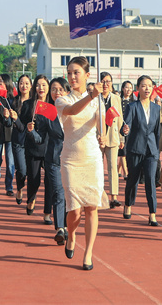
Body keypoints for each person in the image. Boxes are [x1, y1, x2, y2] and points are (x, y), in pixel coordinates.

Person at [55, 56, 108, 271]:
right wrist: (91, 96)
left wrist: (104, 136)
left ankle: (88, 253)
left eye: (76, 72)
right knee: (75, 210)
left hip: (92, 158)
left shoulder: (98, 101)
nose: (72, 77)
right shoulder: (63, 100)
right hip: (71, 159)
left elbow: (102, 126)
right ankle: (71, 235)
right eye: (69, 73)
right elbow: (73, 111)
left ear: (87, 75)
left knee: (92, 207)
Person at [120, 76, 162, 226]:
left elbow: (157, 131)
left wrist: (157, 151)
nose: (147, 88)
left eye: (149, 86)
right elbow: (126, 126)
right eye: (143, 86)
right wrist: (125, 130)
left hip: (151, 150)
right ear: (137, 89)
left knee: (151, 180)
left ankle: (152, 214)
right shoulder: (132, 107)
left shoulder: (157, 108)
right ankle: (128, 204)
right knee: (133, 180)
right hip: (135, 149)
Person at [36, 77, 70, 244]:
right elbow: (40, 138)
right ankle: (60, 228)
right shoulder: (47, 111)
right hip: (54, 158)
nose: (57, 93)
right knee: (58, 192)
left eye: (60, 90)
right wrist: (31, 131)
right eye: (54, 90)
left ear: (67, 92)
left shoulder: (74, 111)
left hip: (72, 158)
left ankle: (67, 225)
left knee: (70, 194)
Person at [18, 75, 54, 223]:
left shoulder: (53, 105)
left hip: (50, 148)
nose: (41, 88)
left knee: (50, 181)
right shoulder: (28, 104)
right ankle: (31, 198)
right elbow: (21, 126)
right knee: (34, 179)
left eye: (44, 85)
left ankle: (47, 213)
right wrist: (28, 128)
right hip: (33, 147)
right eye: (38, 85)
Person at [99, 72, 124, 209]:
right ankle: (99, 194)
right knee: (98, 167)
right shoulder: (94, 98)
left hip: (113, 136)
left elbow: (120, 119)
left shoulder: (116, 98)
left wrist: (121, 137)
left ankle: (114, 196)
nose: (105, 84)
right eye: (103, 81)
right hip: (98, 137)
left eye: (108, 81)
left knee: (113, 167)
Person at [10, 75, 31, 206]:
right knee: (22, 170)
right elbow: (9, 123)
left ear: (31, 86)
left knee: (32, 171)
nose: (24, 86)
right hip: (18, 140)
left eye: (27, 83)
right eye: (21, 83)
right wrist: (8, 117)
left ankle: (32, 198)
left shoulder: (34, 102)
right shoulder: (13, 102)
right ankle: (19, 188)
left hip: (33, 142)